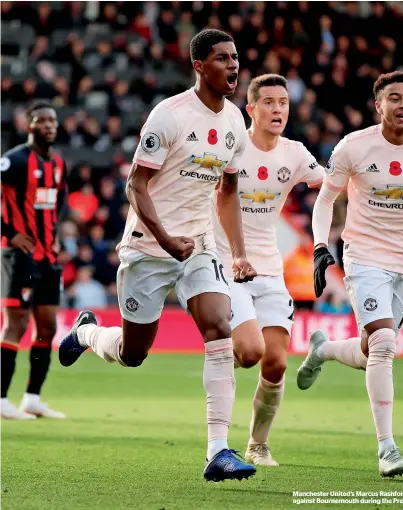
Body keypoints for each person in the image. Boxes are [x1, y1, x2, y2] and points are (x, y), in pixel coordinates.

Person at [58, 29, 258, 482]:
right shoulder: (169, 116)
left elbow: (227, 191)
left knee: (219, 328)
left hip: (199, 245)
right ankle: (88, 334)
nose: (233, 66)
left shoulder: (233, 125)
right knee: (133, 354)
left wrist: (239, 253)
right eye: (223, 58)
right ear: (199, 65)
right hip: (150, 247)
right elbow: (135, 185)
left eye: (236, 58)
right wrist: (166, 239)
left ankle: (218, 450)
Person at [297, 71, 403, 477]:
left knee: (374, 349)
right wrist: (321, 246)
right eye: (395, 98)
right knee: (386, 343)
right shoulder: (354, 146)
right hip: (364, 254)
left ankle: (322, 350)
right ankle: (387, 449)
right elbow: (325, 201)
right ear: (379, 106)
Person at [213, 74, 324, 466]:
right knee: (249, 353)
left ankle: (257, 444)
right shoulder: (232, 147)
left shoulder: (294, 153)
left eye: (283, 103)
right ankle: (220, 342)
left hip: (270, 270)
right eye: (270, 103)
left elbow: (328, 184)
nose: (278, 110)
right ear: (251, 109)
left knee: (275, 362)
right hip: (228, 266)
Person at [1, 101, 67, 420]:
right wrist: (9, 232)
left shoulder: (57, 164)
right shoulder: (13, 161)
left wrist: (55, 234)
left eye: (53, 121)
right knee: (16, 324)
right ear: (29, 126)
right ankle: (0, 399)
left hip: (47, 258)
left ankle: (32, 398)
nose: (49, 126)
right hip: (21, 256)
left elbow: (60, 201)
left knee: (47, 327)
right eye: (42, 121)